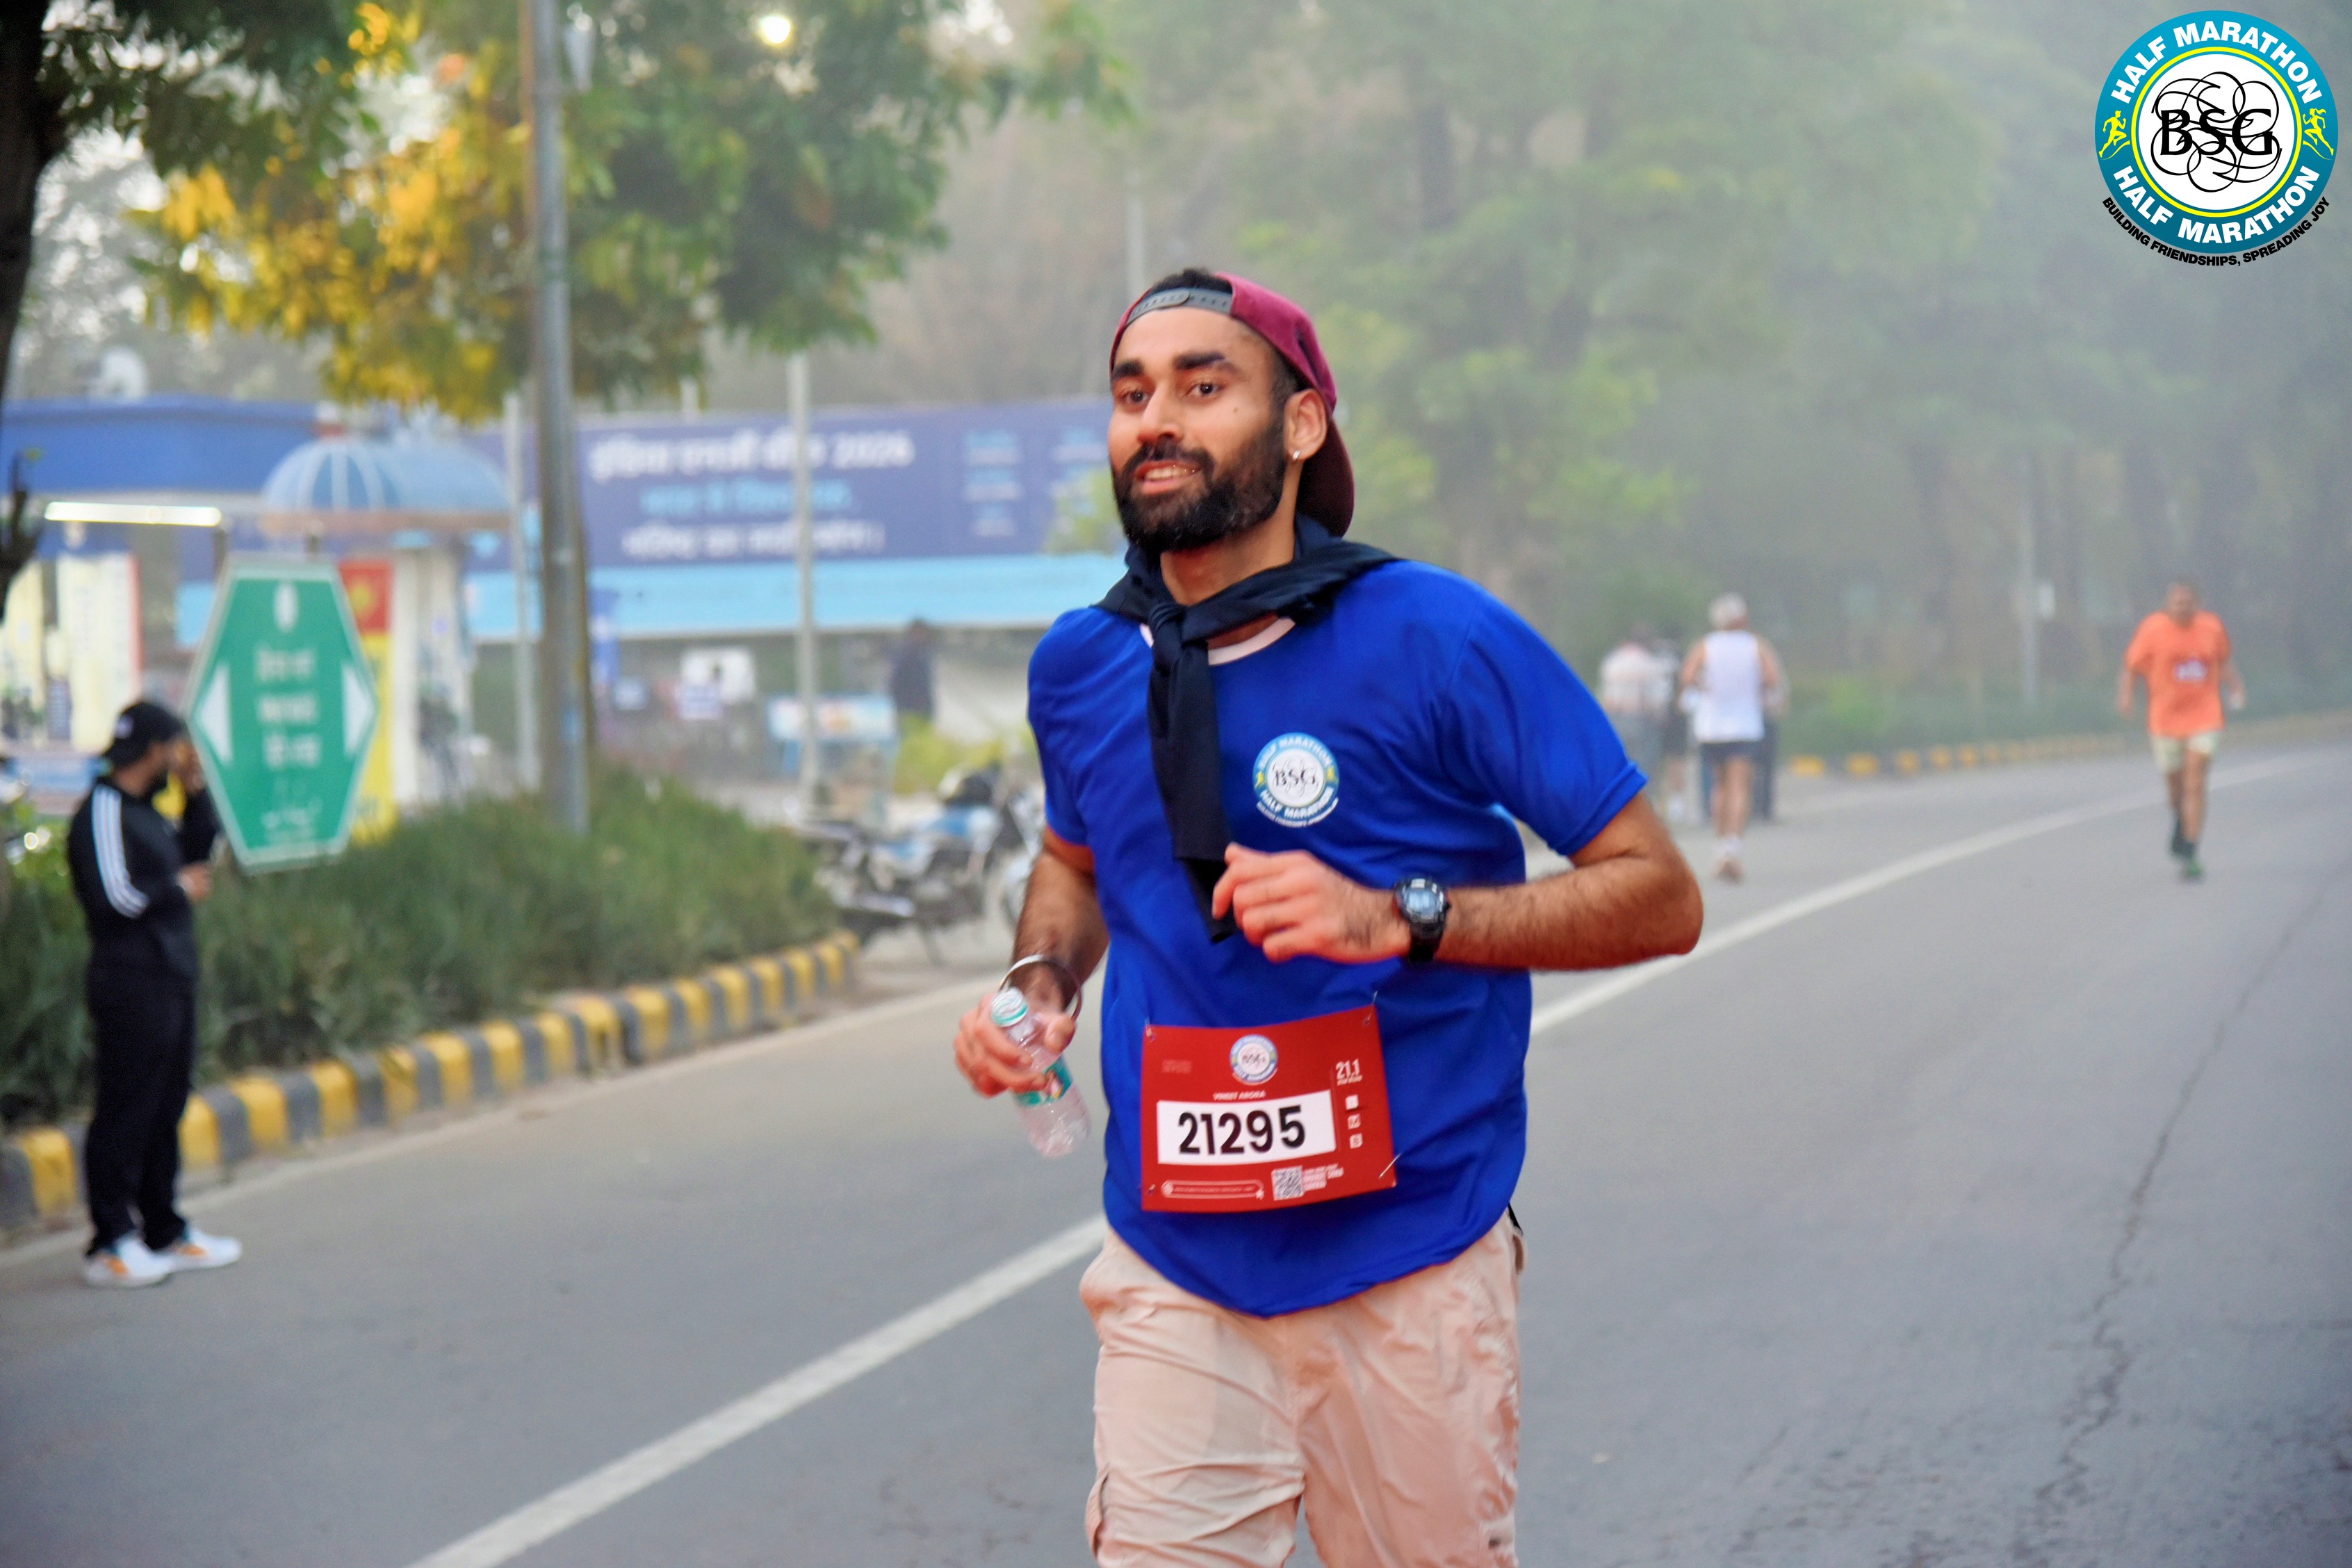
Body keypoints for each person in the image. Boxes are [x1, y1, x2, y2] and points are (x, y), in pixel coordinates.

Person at [952, 269, 1703, 1566]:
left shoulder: (1436, 635)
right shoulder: (1081, 662)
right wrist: (1040, 980)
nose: (1157, 418)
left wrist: (1401, 918)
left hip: (1409, 1255)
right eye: (1132, 394)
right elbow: (1075, 863)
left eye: (1204, 386)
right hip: (1176, 1262)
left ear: (1301, 424)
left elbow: (1659, 893)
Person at [65, 701, 242, 1289]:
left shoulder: (146, 815)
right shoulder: (102, 811)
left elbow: (197, 857)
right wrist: (175, 888)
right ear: (153, 750)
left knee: (166, 1106)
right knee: (126, 1108)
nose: (179, 758)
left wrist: (196, 796)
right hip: (129, 982)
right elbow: (112, 898)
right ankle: (111, 1240)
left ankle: (163, 1227)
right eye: (174, 749)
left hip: (171, 978)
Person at [2119, 580, 2244, 881]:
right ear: (2167, 605)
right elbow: (2132, 666)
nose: (2182, 609)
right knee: (2176, 789)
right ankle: (2180, 820)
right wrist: (2127, 697)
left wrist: (2236, 688)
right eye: (2177, 603)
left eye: (2188, 604)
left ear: (2197, 605)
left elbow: (2223, 662)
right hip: (2165, 720)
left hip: (2205, 716)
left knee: (2196, 781)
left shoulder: (2211, 628)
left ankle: (2191, 850)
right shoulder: (2153, 630)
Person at [1679, 593, 1785, 883]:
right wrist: (1751, 690)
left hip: (1711, 727)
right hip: (1745, 725)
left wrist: (1707, 687)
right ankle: (1732, 848)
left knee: (1719, 787)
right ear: (1742, 619)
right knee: (1740, 787)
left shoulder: (1705, 646)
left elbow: (1687, 677)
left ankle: (1719, 848)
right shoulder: (1755, 646)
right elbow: (1772, 679)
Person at [1597, 625, 1671, 794]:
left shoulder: (1613, 661)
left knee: (1619, 765)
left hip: (1615, 718)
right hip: (1640, 719)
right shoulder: (1649, 663)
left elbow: (1604, 696)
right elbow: (1657, 700)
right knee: (1644, 764)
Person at [888, 618, 938, 730]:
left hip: (922, 709)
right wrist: (901, 709)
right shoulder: (907, 655)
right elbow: (895, 683)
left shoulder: (923, 654)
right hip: (909, 711)